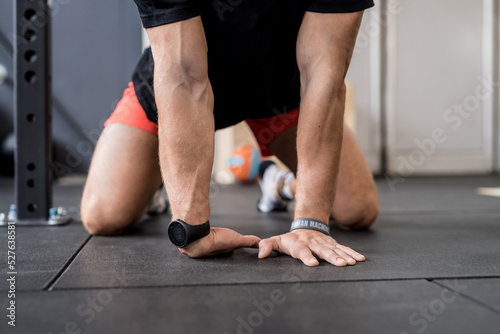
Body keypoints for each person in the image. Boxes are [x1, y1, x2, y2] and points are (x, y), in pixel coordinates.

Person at [81, 0, 379, 267]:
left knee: (357, 210)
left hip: (279, 90)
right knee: (103, 216)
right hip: (180, 89)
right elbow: (182, 74)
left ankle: (279, 184)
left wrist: (310, 225)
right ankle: (164, 177)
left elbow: (323, 73)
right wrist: (193, 228)